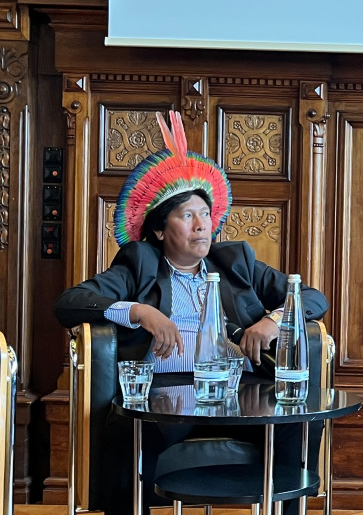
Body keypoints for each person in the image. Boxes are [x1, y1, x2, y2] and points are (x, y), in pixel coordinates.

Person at [54, 110, 328, 515]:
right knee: (130, 431)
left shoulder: (236, 260)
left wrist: (273, 321)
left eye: (206, 214)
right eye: (188, 215)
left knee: (299, 420)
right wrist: (141, 312)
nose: (203, 225)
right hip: (167, 395)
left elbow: (312, 297)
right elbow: (70, 302)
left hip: (239, 392)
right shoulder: (140, 262)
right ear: (161, 231)